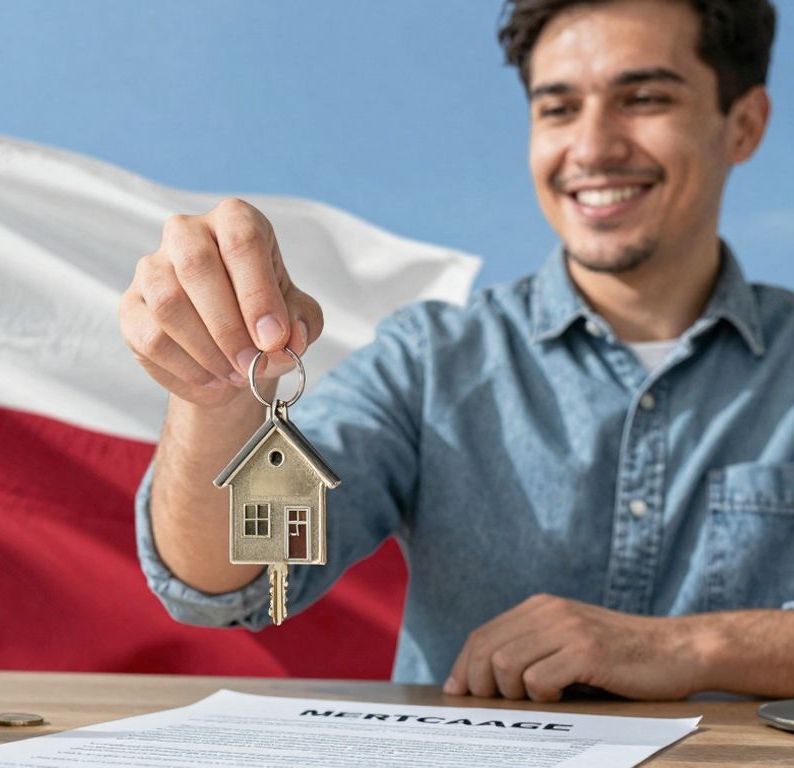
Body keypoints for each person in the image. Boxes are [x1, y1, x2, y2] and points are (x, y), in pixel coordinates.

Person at [120, 0, 794, 702]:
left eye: (644, 99)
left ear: (744, 124)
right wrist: (214, 390)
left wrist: (689, 645)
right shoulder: (428, 362)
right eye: (558, 109)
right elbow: (225, 579)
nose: (593, 147)